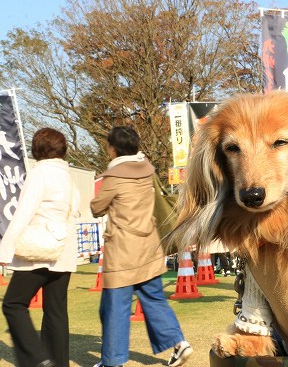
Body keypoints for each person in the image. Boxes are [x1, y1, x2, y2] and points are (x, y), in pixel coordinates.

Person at [90, 126, 192, 367]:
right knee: (154, 299)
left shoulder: (113, 177)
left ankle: (112, 362)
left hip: (123, 251)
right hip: (149, 246)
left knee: (115, 307)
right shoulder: (147, 171)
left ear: (113, 148)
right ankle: (179, 343)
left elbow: (97, 207)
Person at [0, 128, 80, 367]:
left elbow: (24, 212)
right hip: (63, 249)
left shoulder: (40, 173)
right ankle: (57, 363)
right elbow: (75, 208)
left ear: (37, 150)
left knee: (13, 304)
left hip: (39, 249)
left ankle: (37, 359)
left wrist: (5, 248)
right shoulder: (67, 175)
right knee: (55, 311)